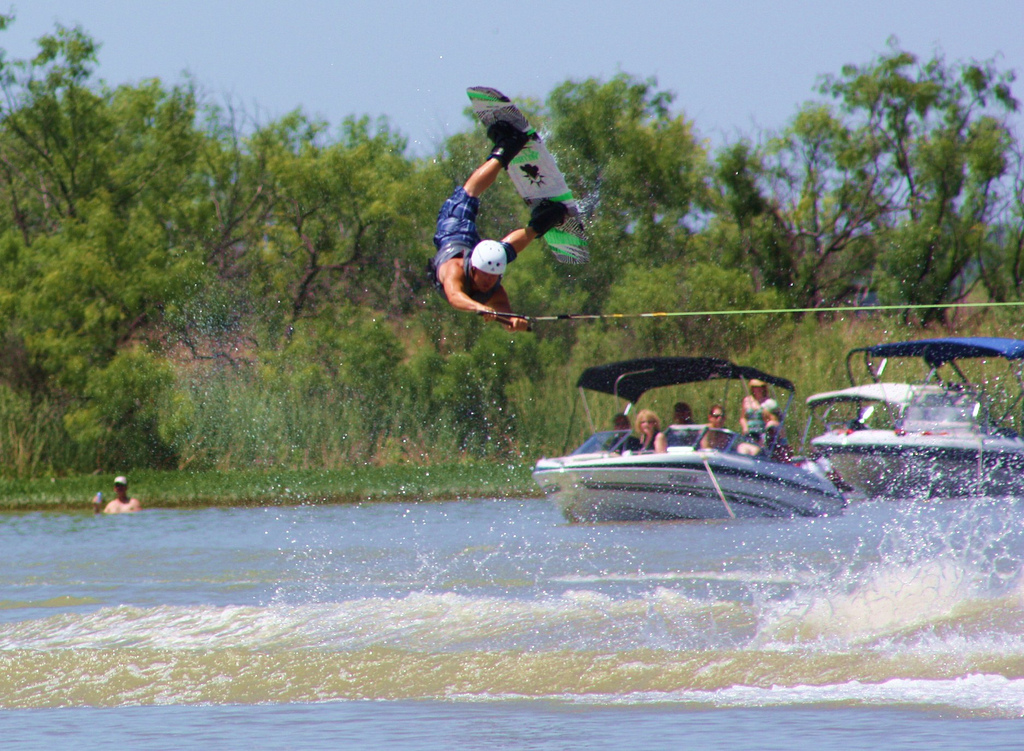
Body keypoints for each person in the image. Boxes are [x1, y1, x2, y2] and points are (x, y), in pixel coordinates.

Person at [428, 121, 569, 332]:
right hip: (464, 254)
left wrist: (494, 314)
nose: (488, 281)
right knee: (505, 251)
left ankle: (507, 147)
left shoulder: (469, 276)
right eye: (486, 275)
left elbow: (459, 298)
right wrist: (513, 321)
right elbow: (461, 296)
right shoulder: (472, 280)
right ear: (475, 268)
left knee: (466, 196)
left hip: (452, 237)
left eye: (492, 276)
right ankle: (545, 220)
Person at [740, 379, 772, 443]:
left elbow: (771, 419)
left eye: (760, 387)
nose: (758, 389)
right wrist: (745, 428)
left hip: (762, 432)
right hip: (749, 431)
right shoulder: (747, 400)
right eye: (755, 387)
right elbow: (743, 418)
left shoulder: (768, 402)